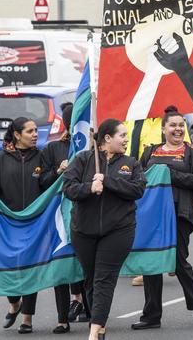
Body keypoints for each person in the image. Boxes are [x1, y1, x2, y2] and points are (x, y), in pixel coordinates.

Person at [64, 119, 147, 340]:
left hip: (119, 231)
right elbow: (68, 188)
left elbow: (138, 189)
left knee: (104, 278)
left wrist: (108, 181)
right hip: (83, 230)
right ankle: (98, 324)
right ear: (107, 138)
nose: (127, 139)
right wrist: (89, 187)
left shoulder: (131, 163)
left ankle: (93, 331)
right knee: (91, 278)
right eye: (122, 135)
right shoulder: (82, 159)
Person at [132, 107, 193, 330]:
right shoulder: (150, 152)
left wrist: (169, 174)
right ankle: (151, 316)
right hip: (152, 216)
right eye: (172, 125)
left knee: (178, 261)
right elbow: (140, 180)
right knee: (151, 262)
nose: (177, 129)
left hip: (179, 214)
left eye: (180, 125)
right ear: (163, 128)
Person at [0, 117, 41, 334]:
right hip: (8, 223)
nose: (35, 134)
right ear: (17, 135)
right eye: (30, 131)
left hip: (35, 222)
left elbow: (47, 182)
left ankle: (27, 318)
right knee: (10, 267)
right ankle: (14, 303)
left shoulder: (41, 156)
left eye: (36, 130)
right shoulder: (0, 158)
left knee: (30, 269)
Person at [39, 103, 90, 334]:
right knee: (61, 263)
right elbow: (42, 182)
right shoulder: (52, 149)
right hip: (59, 219)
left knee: (85, 264)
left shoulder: (90, 148)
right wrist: (59, 171)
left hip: (85, 216)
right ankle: (62, 318)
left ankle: (88, 308)